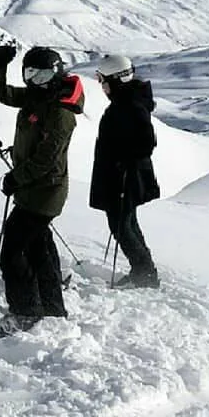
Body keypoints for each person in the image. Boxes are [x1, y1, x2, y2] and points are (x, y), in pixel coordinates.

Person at [0, 43, 84, 333]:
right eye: (29, 74)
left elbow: (46, 158)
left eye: (41, 76)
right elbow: (1, 93)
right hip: (34, 188)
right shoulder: (37, 97)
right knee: (39, 246)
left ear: (55, 74)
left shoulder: (60, 112)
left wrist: (17, 177)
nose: (33, 82)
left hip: (44, 191)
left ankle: (25, 311)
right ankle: (52, 307)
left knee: (12, 251)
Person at [90, 54, 160, 288]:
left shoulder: (129, 105)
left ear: (116, 80)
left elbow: (146, 142)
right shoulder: (126, 102)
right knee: (126, 222)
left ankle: (144, 273)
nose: (101, 85)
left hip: (125, 177)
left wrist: (123, 163)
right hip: (123, 175)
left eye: (103, 80)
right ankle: (145, 271)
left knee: (120, 225)